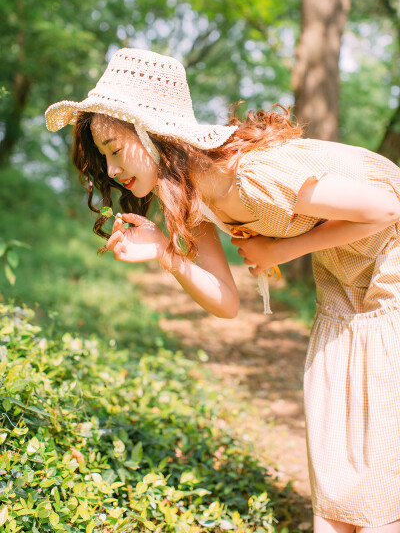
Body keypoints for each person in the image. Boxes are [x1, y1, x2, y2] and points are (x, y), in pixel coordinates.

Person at [45, 47, 400, 533]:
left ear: (153, 134)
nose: (109, 172)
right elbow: (226, 303)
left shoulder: (251, 176)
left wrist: (279, 253)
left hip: (388, 276)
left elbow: (386, 208)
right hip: (344, 285)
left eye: (112, 149)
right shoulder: (196, 197)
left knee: (379, 472)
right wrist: (166, 256)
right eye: (101, 158)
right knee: (335, 460)